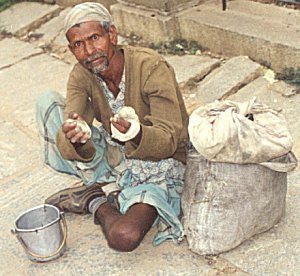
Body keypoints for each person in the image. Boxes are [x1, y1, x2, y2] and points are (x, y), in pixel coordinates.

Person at [35, 2, 189, 252]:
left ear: (112, 35)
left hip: (157, 165)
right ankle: (110, 187)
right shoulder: (81, 74)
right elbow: (70, 124)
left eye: (95, 38)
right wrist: (76, 135)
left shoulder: (150, 66)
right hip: (114, 157)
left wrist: (136, 133)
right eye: (78, 45)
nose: (89, 51)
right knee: (47, 105)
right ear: (71, 49)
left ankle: (95, 199)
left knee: (124, 236)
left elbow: (170, 138)